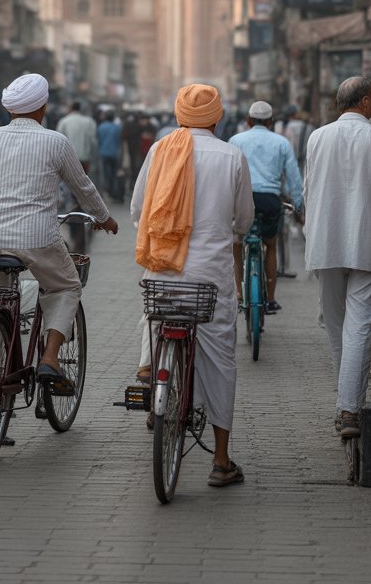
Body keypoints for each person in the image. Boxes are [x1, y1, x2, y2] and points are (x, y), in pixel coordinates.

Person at [132, 83, 254, 488]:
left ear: (179, 115)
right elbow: (244, 219)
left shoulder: (160, 150)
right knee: (220, 362)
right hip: (211, 278)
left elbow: (137, 209)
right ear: (217, 118)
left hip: (164, 272)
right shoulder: (232, 156)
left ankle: (155, 376)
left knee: (155, 321)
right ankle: (220, 460)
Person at [0, 74, 117, 392]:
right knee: (66, 286)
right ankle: (50, 359)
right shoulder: (55, 142)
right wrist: (104, 218)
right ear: (43, 107)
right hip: (37, 238)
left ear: (10, 109)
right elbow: (83, 188)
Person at [304, 76, 371, 441]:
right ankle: (349, 408)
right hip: (367, 243)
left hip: (325, 242)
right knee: (360, 326)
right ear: (366, 102)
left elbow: (308, 189)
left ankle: (346, 402)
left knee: (337, 326)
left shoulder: (317, 137)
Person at [228, 100, 304, 314]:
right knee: (271, 244)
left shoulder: (236, 140)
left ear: (248, 120)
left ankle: (239, 293)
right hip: (271, 200)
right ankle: (270, 299)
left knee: (237, 243)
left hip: (243, 199)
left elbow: (229, 173)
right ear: (270, 121)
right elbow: (293, 178)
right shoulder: (282, 143)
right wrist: (298, 205)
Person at [96, 111, 123, 201]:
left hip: (103, 153)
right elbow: (119, 141)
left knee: (104, 173)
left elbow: (98, 140)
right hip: (114, 153)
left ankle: (105, 190)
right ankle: (113, 191)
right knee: (114, 173)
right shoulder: (117, 128)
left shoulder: (101, 127)